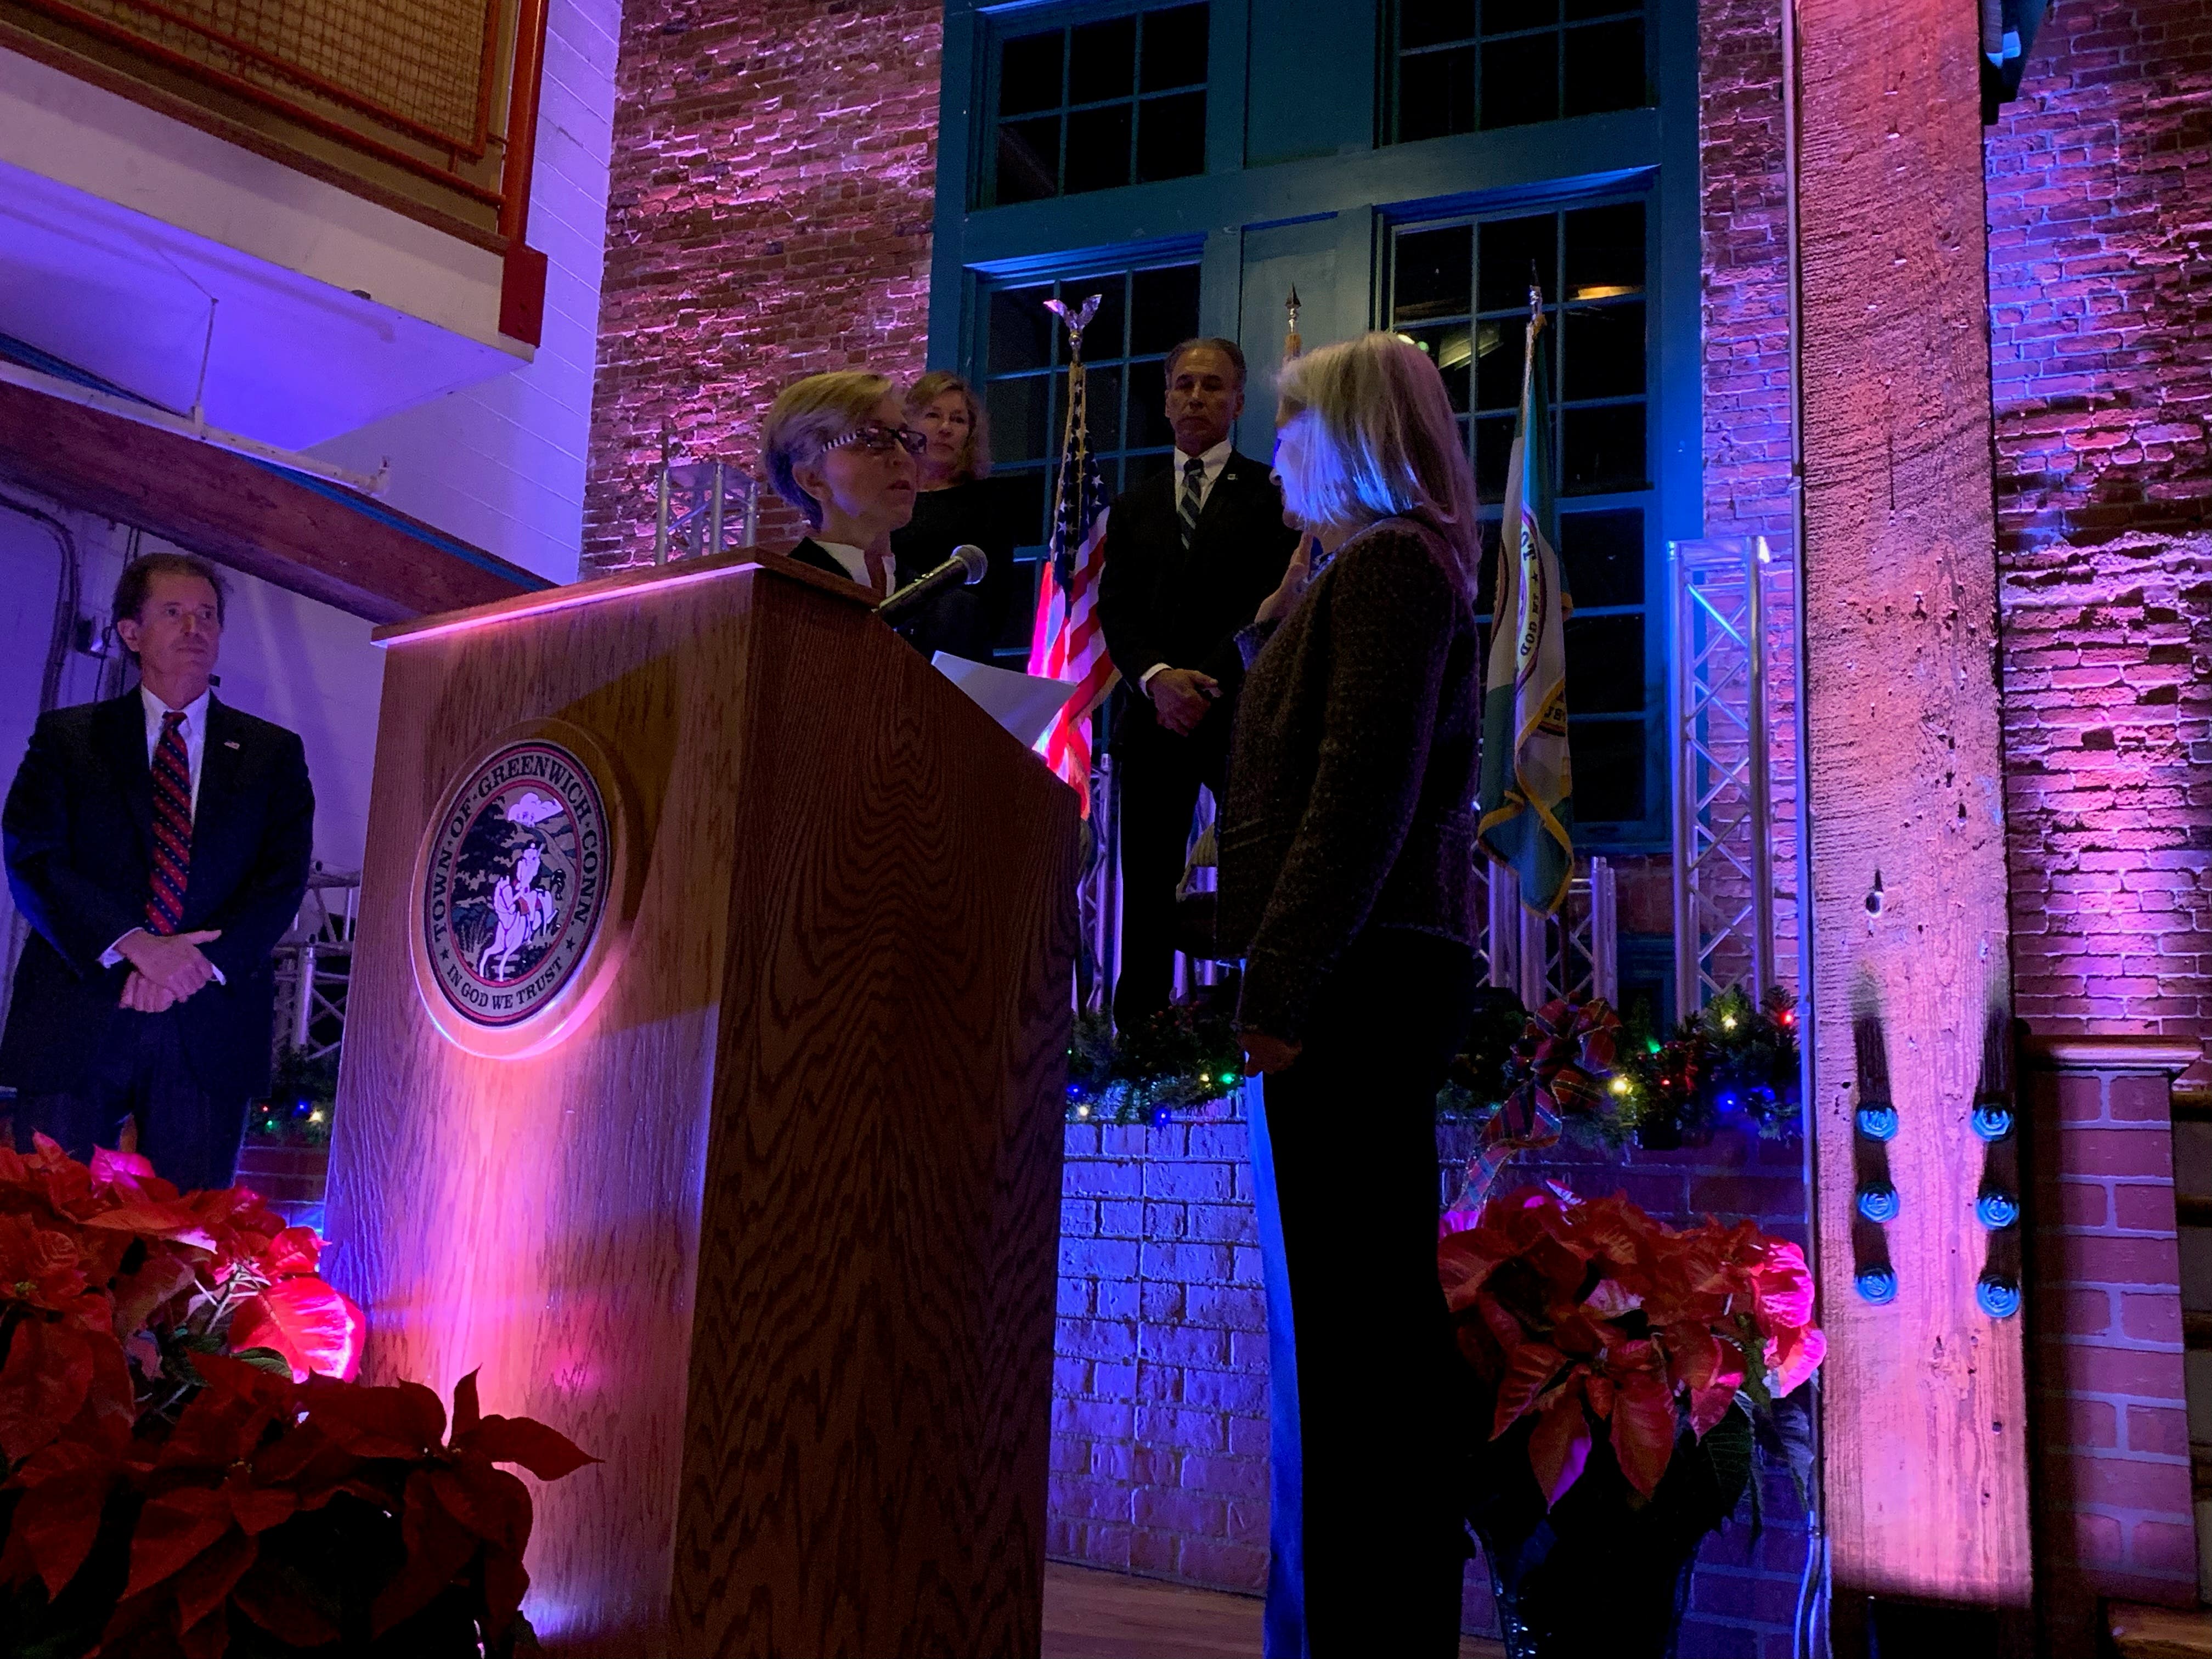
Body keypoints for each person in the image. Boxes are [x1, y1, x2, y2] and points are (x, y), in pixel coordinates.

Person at [1215, 332, 1486, 1657]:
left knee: (1349, 1345)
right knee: (1348, 1332)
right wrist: (1278, 614)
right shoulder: (1363, 571)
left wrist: (1278, 984)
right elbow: (1297, 762)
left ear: (1356, 438)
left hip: (1354, 982)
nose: (1274, 449)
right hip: (1357, 973)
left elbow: (1356, 800)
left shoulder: (1388, 569)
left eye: (1294, 424)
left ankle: (1355, 1632)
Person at [1, 553, 314, 1192]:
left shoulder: (272, 754)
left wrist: (190, 965)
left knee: (187, 1234)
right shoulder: (68, 739)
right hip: (79, 1011)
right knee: (50, 1224)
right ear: (131, 632)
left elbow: (281, 879)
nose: (195, 628)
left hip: (208, 1020)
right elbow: (34, 856)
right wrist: (138, 947)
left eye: (207, 615)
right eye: (173, 613)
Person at [1096, 336, 1300, 1030]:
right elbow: (1117, 611)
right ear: (1165, 400)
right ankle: (1141, 1036)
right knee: (1147, 884)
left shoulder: (1273, 497)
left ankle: (1262, 1025)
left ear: (1238, 403)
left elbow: (1271, 603)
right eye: (1183, 385)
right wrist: (1159, 679)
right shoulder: (1134, 506)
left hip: (1239, 715)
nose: (1196, 397)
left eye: (1213, 386)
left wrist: (1203, 682)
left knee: (1264, 874)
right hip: (1154, 718)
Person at [888, 370, 1023, 663]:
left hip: (956, 649)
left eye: (958, 420)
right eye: (933, 415)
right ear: (908, 425)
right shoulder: (885, 496)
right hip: (886, 643)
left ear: (970, 435)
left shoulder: (989, 503)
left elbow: (998, 600)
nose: (946, 428)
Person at [761, 370, 922, 597]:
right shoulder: (777, 597)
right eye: (873, 437)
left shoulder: (950, 607)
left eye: (905, 439)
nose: (903, 457)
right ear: (813, 479)